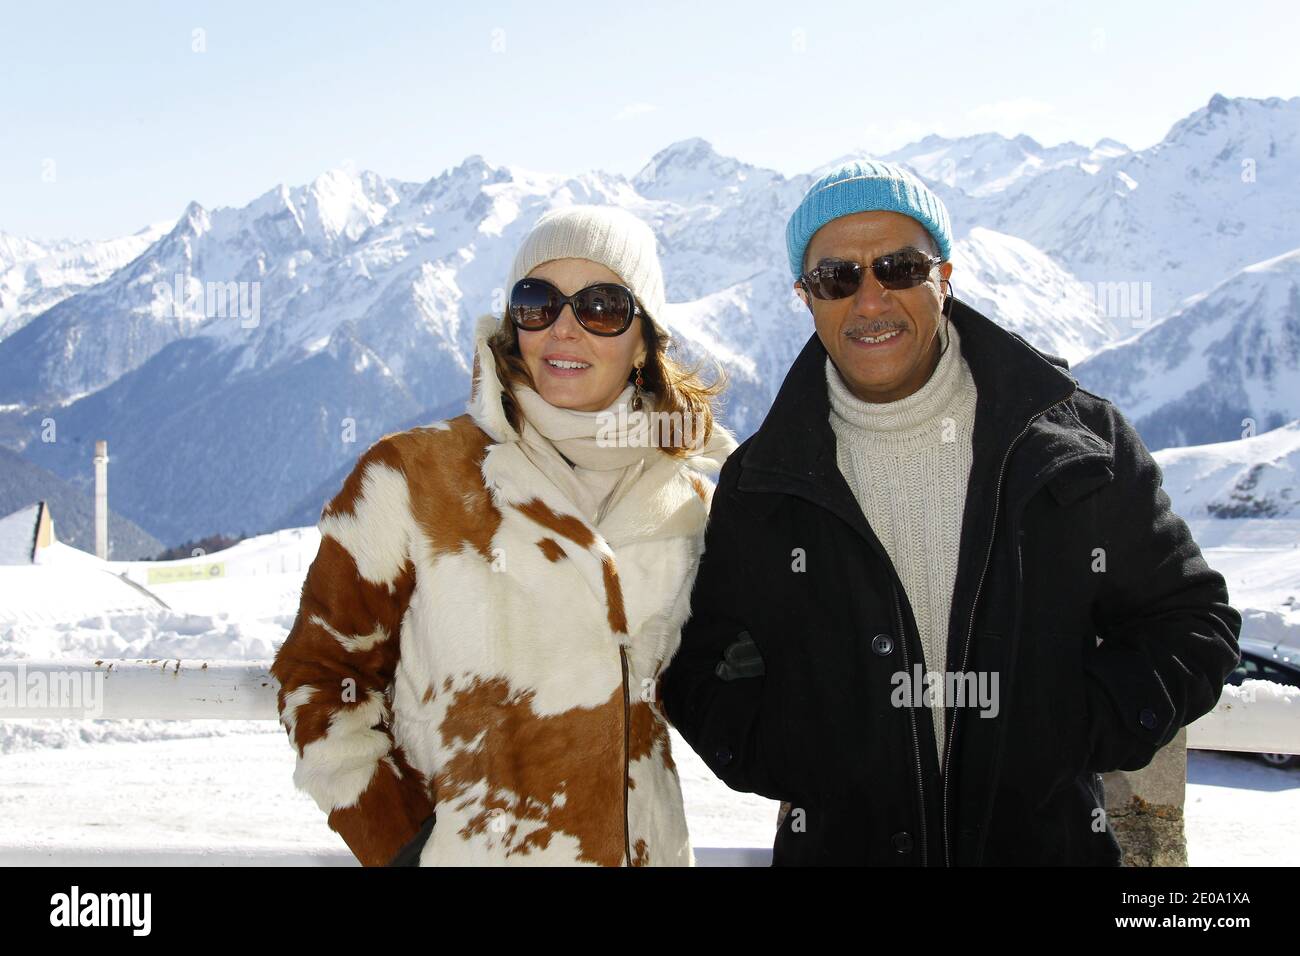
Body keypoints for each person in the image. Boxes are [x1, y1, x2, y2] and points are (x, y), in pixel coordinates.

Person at [661, 159, 1242, 866]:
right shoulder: (761, 481)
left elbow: (1192, 623)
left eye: (900, 267)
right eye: (836, 277)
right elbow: (704, 665)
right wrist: (795, 754)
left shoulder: (1070, 442)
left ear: (945, 275)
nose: (869, 299)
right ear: (806, 298)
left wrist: (1072, 726)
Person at [272, 204, 736, 866]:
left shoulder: (687, 501)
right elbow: (319, 673)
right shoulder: (412, 478)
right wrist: (401, 841)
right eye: (537, 302)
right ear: (514, 324)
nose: (565, 329)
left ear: (644, 341)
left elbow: (736, 689)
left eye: (602, 306)